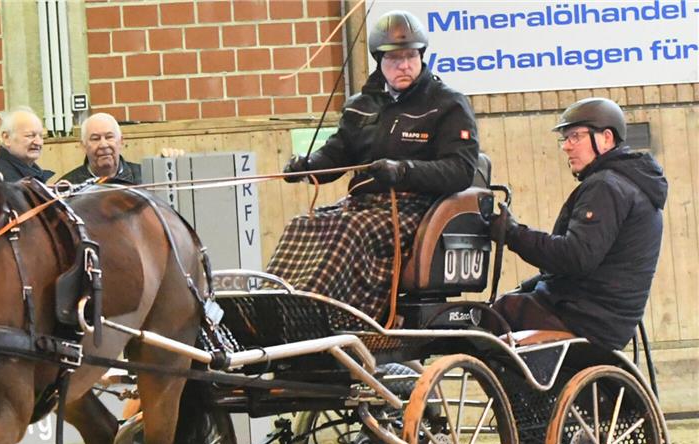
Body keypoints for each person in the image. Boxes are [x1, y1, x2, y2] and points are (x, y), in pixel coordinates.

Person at [268, 9, 479, 320]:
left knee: (351, 228)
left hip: (414, 210)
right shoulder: (361, 105)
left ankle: (317, 315)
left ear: (421, 56)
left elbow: (461, 170)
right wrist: (307, 167)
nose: (404, 65)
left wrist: (403, 171)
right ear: (380, 61)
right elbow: (337, 156)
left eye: (410, 56)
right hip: (363, 205)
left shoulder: (447, 104)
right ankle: (274, 304)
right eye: (395, 59)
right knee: (303, 223)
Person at [489, 98, 667, 351]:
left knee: (487, 319)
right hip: (602, 315)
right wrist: (526, 286)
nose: (567, 147)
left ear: (606, 138)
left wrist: (513, 234)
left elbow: (575, 257)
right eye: (565, 139)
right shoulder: (630, 184)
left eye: (575, 137)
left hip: (587, 318)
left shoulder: (606, 186)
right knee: (511, 302)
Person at [0, 107, 82, 444]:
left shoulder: (34, 178)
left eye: (39, 134)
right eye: (28, 135)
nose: (37, 140)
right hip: (17, 292)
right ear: (5, 139)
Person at [59, 112, 143, 183]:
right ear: (83, 146)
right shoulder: (66, 186)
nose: (103, 145)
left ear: (120, 142)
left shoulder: (145, 177)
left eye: (109, 137)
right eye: (95, 138)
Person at [0, 106, 55, 183]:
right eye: (30, 135)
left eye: (41, 136)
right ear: (6, 138)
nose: (38, 142)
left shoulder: (33, 174)